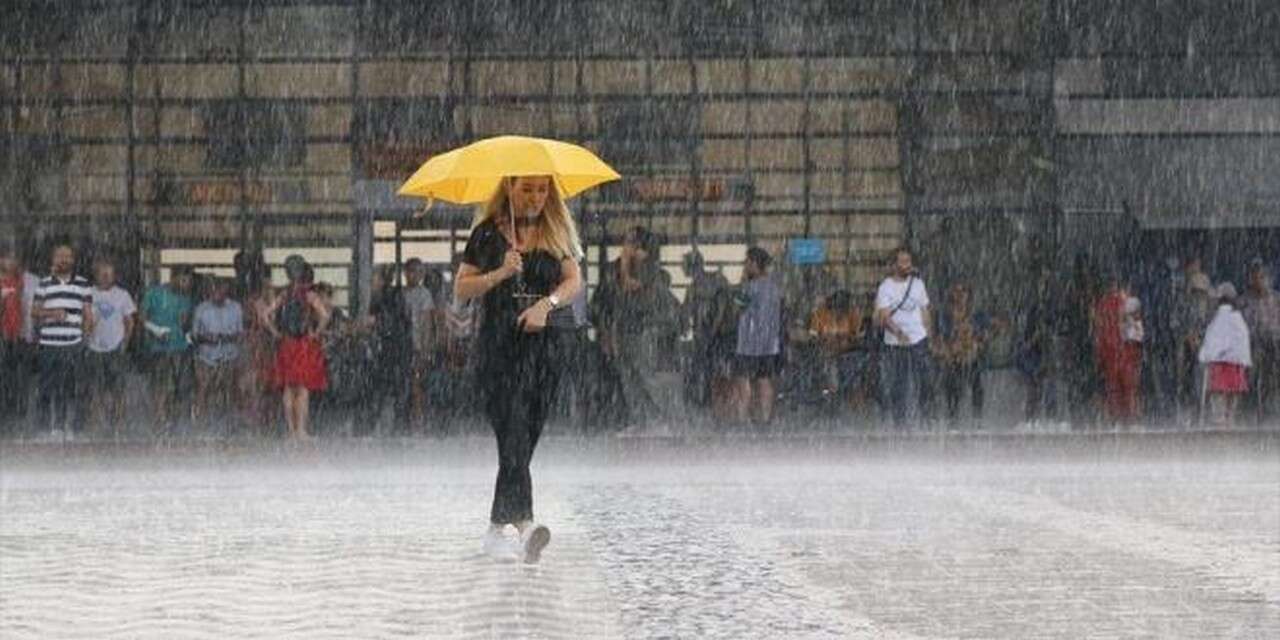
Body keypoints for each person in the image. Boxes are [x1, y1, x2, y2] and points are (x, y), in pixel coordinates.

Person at [453, 174, 583, 564]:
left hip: (545, 352)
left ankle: (495, 530)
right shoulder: (486, 235)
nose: (535, 198)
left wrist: (547, 305)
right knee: (511, 429)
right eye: (527, 189)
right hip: (498, 350)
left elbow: (573, 280)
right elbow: (462, 288)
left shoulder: (555, 231)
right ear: (508, 188)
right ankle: (526, 527)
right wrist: (499, 274)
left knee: (523, 440)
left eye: (542, 190)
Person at [31, 243, 95, 438]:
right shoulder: (43, 283)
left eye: (67, 256)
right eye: (59, 256)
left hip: (73, 345)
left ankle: (74, 429)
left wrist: (84, 341)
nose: (63, 260)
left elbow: (88, 315)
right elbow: (34, 311)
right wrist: (52, 312)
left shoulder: (83, 284)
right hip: (49, 344)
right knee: (46, 387)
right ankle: (47, 429)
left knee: (73, 387)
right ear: (53, 259)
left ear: (73, 260)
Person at [264, 255, 330, 440]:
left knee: (287, 387)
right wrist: (316, 332)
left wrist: (275, 332)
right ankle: (301, 430)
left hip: (286, 343)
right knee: (302, 388)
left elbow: (266, 314)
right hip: (303, 344)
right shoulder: (309, 294)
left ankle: (290, 431)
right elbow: (324, 316)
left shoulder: (284, 294)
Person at [874, 247, 932, 429]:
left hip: (918, 339)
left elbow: (925, 310)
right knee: (899, 382)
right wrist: (899, 333)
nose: (907, 266)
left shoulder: (918, 284)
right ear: (894, 265)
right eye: (903, 262)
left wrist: (928, 334)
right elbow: (884, 316)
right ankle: (900, 423)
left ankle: (925, 417)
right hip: (896, 342)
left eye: (909, 262)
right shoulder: (886, 287)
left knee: (925, 379)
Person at [732, 247, 785, 426]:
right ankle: (764, 420)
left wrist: (743, 281)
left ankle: (742, 420)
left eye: (746, 262)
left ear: (754, 263)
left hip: (748, 344)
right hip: (769, 345)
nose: (745, 266)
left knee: (743, 380)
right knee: (765, 381)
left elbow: (736, 307)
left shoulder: (749, 287)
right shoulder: (775, 288)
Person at [140, 266, 194, 436]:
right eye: (184, 281)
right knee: (161, 386)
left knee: (180, 388)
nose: (186, 285)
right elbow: (141, 317)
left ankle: (174, 423)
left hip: (181, 349)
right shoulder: (154, 293)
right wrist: (155, 329)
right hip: (159, 349)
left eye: (189, 282)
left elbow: (185, 325)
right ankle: (159, 422)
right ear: (173, 278)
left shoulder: (187, 298)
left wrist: (189, 337)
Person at [85, 260, 136, 437]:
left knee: (118, 390)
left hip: (116, 349)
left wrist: (125, 344)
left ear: (114, 276)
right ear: (96, 275)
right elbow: (83, 321)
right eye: (102, 274)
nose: (106, 277)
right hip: (93, 349)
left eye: (109, 274)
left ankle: (118, 427)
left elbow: (130, 322)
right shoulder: (88, 294)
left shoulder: (122, 295)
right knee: (94, 390)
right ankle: (95, 428)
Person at [363, 264, 413, 436]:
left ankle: (377, 423)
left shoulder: (379, 298)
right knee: (399, 386)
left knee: (382, 387)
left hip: (389, 346)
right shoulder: (397, 295)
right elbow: (404, 319)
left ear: (382, 280)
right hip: (400, 345)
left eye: (374, 279)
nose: (372, 282)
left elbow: (372, 322)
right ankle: (399, 424)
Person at [191, 278, 244, 435]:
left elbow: (240, 334)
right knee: (204, 389)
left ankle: (229, 425)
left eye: (221, 290)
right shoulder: (201, 309)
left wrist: (227, 338)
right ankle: (201, 424)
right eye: (214, 291)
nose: (218, 294)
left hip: (229, 355)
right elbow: (194, 336)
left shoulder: (235, 307)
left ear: (226, 290)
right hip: (206, 356)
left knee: (229, 389)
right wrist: (208, 338)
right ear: (209, 292)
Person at [932, 283, 989, 426]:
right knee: (952, 387)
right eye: (956, 291)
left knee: (977, 386)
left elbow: (984, 334)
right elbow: (940, 336)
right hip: (953, 357)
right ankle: (953, 417)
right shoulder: (945, 315)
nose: (960, 295)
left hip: (971, 356)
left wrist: (978, 343)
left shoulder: (975, 314)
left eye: (963, 291)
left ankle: (977, 418)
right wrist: (948, 350)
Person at [681, 250, 729, 409]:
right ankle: (707, 400)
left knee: (712, 369)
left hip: (715, 335)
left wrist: (713, 331)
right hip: (704, 335)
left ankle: (713, 401)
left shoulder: (716, 281)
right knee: (704, 369)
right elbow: (686, 311)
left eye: (684, 265)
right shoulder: (698, 285)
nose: (682, 269)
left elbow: (723, 309)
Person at [1199, 284, 1251, 427]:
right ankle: (1230, 419)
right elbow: (1243, 341)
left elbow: (1211, 340)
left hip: (1219, 364)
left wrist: (1205, 355)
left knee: (1219, 393)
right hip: (1235, 364)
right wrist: (1244, 360)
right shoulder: (1238, 319)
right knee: (1232, 394)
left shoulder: (1217, 318)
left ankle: (1220, 419)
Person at [1092, 274, 1141, 426]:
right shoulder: (1129, 303)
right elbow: (1137, 332)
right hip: (1126, 352)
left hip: (1110, 353)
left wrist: (1099, 355)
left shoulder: (1101, 305)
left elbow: (1099, 332)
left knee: (1113, 390)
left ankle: (1116, 422)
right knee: (1129, 389)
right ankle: (1131, 421)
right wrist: (1137, 354)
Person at [808, 289, 865, 407]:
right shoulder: (820, 314)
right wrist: (826, 343)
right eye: (836, 308)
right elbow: (812, 338)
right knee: (829, 366)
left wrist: (846, 342)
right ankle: (831, 396)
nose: (839, 312)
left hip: (848, 352)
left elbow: (860, 339)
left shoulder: (853, 314)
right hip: (826, 352)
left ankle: (853, 399)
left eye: (842, 309)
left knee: (854, 366)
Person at [0, 248, 37, 434]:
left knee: (22, 378)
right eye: (6, 259)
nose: (9, 262)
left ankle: (20, 415)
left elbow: (37, 308)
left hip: (24, 336)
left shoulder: (32, 281)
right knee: (5, 377)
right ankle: (5, 414)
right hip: (4, 337)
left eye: (12, 258)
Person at [1240, 261, 1279, 422]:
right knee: (1254, 363)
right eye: (1256, 277)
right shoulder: (1244, 300)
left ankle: (1272, 401)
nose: (1259, 281)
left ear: (1268, 279)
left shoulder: (1277, 299)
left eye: (1262, 277)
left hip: (1275, 341)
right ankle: (1252, 405)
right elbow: (1241, 326)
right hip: (1252, 342)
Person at [402, 258, 436, 432]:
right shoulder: (401, 293)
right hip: (403, 345)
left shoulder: (424, 295)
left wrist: (425, 347)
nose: (412, 276)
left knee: (417, 383)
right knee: (407, 383)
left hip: (417, 345)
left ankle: (418, 419)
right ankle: (410, 418)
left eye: (416, 272)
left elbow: (427, 323)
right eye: (410, 272)